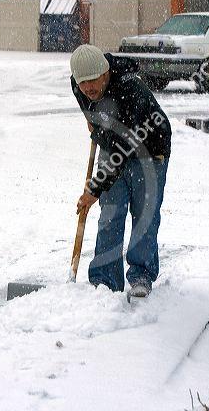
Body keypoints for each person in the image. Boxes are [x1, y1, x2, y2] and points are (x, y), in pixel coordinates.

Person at [70, 44, 171, 299]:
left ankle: (141, 276)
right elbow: (85, 102)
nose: (88, 88)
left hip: (148, 149)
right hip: (113, 143)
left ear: (105, 73)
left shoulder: (130, 89)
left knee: (144, 215)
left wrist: (95, 189)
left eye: (93, 81)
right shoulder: (78, 83)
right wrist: (93, 123)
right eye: (83, 83)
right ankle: (105, 281)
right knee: (110, 216)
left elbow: (123, 148)